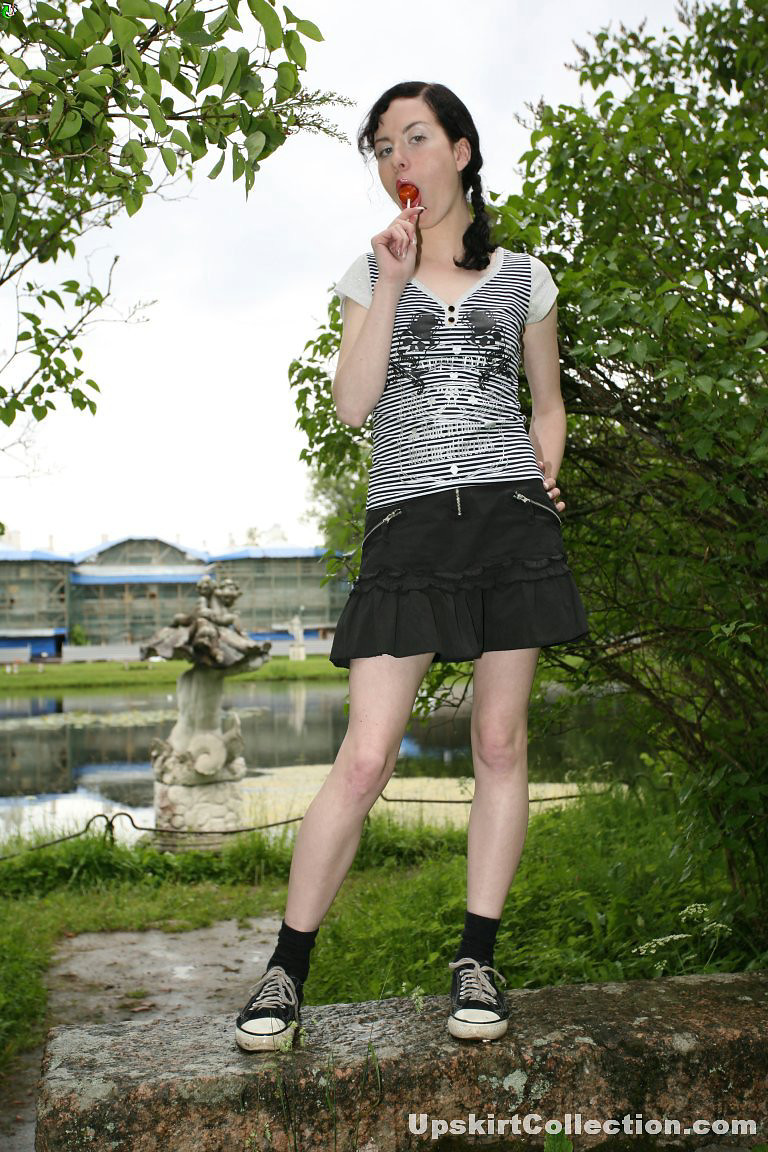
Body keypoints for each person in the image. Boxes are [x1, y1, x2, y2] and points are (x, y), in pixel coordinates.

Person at [235, 81, 589, 1053]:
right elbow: (354, 406)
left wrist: (546, 477)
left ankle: (476, 960)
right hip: (408, 525)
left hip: (511, 527)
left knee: (501, 745)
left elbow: (547, 402)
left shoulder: (526, 277)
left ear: (461, 151)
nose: (399, 158)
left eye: (416, 137)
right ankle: (284, 972)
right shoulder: (369, 270)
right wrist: (390, 285)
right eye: (385, 145)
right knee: (365, 757)